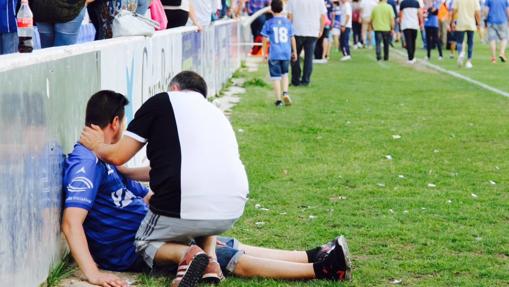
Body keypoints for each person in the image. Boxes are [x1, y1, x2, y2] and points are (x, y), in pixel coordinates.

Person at [66, 88, 352, 287]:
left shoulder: (107, 162)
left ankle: (313, 255)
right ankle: (319, 269)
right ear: (116, 122)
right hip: (131, 248)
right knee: (226, 257)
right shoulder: (85, 162)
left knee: (224, 243)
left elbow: (142, 192)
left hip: (149, 232)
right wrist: (93, 273)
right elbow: (71, 223)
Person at [79, 71, 249, 285]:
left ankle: (190, 255)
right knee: (201, 214)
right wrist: (128, 172)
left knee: (141, 242)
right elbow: (176, 168)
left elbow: (117, 155)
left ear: (174, 89)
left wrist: (96, 146)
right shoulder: (213, 111)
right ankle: (211, 261)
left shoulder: (161, 102)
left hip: (188, 205)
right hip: (231, 208)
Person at [261, 0, 297, 107]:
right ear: (282, 8)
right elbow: (292, 38)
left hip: (274, 53)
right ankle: (285, 92)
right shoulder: (288, 23)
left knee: (275, 77)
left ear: (271, 9)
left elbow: (264, 38)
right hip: (286, 52)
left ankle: (278, 101)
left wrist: (264, 53)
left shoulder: (268, 23)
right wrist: (294, 51)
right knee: (285, 74)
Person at [287, 0, 327, 86]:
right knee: (309, 58)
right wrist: (321, 30)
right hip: (313, 30)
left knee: (294, 55)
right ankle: (306, 80)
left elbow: (289, 16)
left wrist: (288, 31)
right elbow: (323, 16)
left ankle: (295, 80)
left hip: (297, 30)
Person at [451, 0, 481, 68]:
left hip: (461, 22)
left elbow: (454, 11)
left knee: (459, 41)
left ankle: (460, 54)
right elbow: (477, 12)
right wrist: (479, 23)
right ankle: (469, 61)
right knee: (470, 43)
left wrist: (452, 21)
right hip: (471, 23)